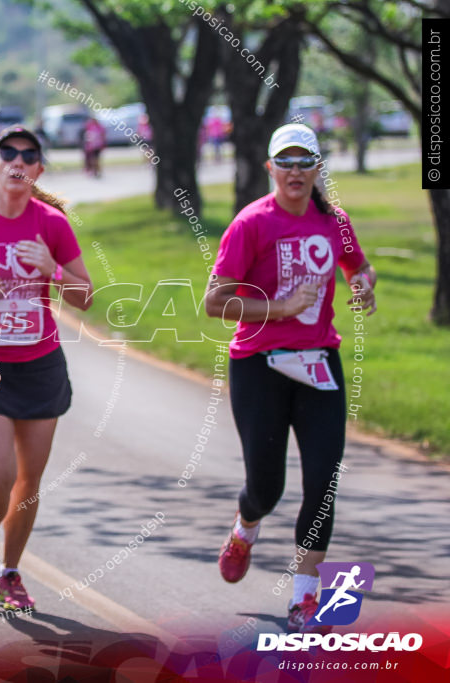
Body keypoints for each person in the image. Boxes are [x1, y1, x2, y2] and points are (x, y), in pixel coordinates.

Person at [205, 123, 377, 633]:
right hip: (259, 364)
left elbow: (359, 266)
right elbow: (214, 302)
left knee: (323, 482)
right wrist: (279, 307)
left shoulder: (335, 222)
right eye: (287, 162)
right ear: (271, 168)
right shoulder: (252, 223)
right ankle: (246, 524)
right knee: (267, 486)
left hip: (319, 361)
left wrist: (363, 285)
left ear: (318, 168)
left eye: (306, 162)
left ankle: (305, 597)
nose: (296, 172)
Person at [0, 127, 93, 611]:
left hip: (39, 366)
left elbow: (85, 297)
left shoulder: (50, 224)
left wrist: (52, 267)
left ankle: (10, 572)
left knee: (29, 481)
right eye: (7, 151)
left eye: (29, 155)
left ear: (37, 170)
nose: (18, 159)